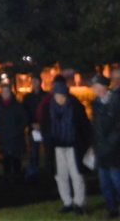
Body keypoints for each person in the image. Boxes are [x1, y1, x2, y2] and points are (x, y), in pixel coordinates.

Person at [47, 81, 91, 215]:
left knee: (76, 175)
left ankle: (79, 203)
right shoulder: (51, 107)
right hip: (58, 147)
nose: (59, 98)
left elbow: (85, 126)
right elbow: (48, 126)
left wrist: (88, 143)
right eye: (56, 95)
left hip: (73, 146)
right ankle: (67, 201)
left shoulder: (75, 107)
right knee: (61, 176)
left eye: (61, 95)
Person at [90, 74, 119, 219]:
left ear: (102, 87)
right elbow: (95, 127)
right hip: (101, 150)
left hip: (114, 150)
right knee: (105, 183)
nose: (93, 90)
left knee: (116, 180)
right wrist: (95, 146)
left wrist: (110, 144)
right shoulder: (96, 103)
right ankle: (111, 208)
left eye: (94, 87)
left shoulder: (115, 101)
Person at [0, 84, 27, 183]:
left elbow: (24, 119)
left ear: (10, 92)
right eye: (3, 92)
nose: (5, 94)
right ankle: (7, 178)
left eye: (7, 91)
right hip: (4, 137)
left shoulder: (17, 105)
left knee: (16, 159)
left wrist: (18, 130)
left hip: (15, 138)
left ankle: (17, 178)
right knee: (6, 159)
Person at [23, 79, 45, 183]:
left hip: (44, 127)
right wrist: (31, 123)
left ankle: (50, 169)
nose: (35, 84)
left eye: (37, 82)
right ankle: (34, 171)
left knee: (48, 150)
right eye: (33, 82)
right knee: (34, 150)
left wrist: (42, 123)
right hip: (33, 127)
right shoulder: (28, 97)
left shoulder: (45, 96)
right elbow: (25, 112)